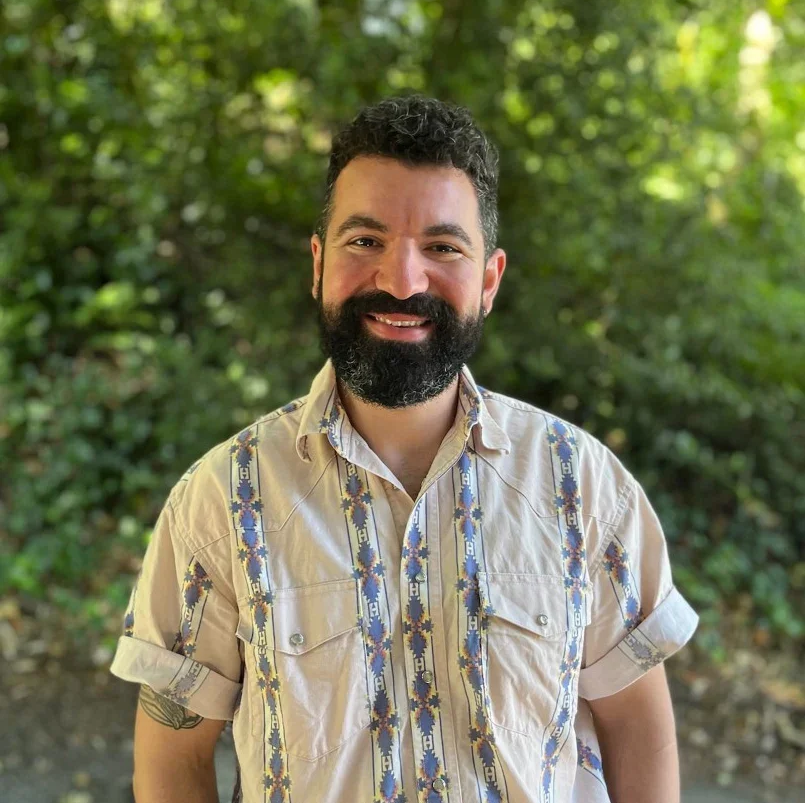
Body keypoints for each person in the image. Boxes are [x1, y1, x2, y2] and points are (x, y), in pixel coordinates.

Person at [110, 94, 699, 803]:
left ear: (488, 279)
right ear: (319, 262)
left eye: (443, 248)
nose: (401, 280)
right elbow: (173, 758)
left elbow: (636, 724)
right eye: (365, 241)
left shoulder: (582, 486)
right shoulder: (221, 499)